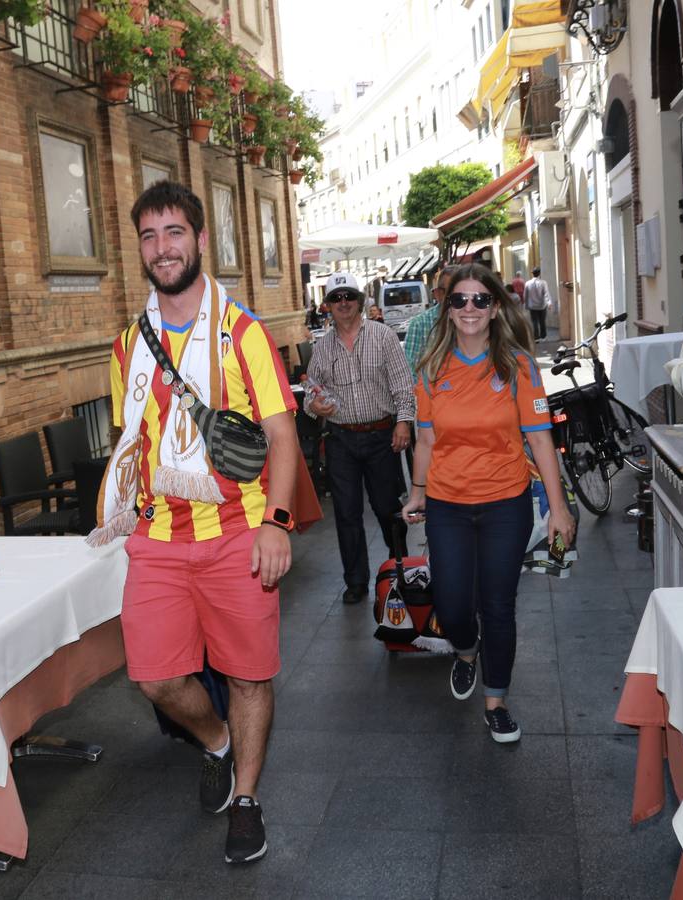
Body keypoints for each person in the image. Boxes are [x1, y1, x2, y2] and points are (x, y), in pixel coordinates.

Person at [88, 180, 300, 864]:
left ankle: (245, 798)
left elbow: (281, 436)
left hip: (237, 533)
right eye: (149, 236)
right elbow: (131, 440)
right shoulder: (127, 345)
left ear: (200, 240)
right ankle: (214, 740)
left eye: (173, 232)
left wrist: (277, 522)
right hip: (156, 540)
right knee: (154, 679)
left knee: (247, 675)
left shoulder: (242, 333)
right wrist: (114, 508)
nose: (162, 247)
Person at [401, 264, 575, 743]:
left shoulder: (518, 365)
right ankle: (465, 650)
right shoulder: (433, 368)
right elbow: (425, 440)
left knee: (498, 605)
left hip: (505, 503)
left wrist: (559, 510)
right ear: (448, 308)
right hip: (447, 504)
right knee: (454, 605)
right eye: (460, 300)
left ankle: (496, 701)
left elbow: (541, 441)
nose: (470, 309)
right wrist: (417, 492)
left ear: (495, 307)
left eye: (480, 300)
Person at [305, 272, 415, 605]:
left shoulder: (382, 336)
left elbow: (402, 384)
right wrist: (315, 404)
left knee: (386, 508)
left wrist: (404, 423)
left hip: (381, 435)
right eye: (336, 298)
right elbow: (312, 390)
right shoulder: (322, 347)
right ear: (328, 305)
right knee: (346, 512)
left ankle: (402, 568)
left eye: (348, 296)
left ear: (360, 300)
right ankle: (355, 581)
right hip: (340, 439)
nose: (343, 303)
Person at [402, 266, 454, 373]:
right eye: (452, 293)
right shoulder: (419, 324)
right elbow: (409, 370)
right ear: (438, 294)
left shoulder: (473, 321)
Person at [523, 267, 553, 341]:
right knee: (542, 321)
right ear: (539, 273)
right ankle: (543, 336)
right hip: (542, 305)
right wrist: (549, 303)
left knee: (534, 321)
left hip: (532, 306)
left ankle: (536, 337)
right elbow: (546, 293)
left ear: (532, 274)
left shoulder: (527, 283)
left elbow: (525, 295)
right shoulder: (543, 283)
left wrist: (526, 305)